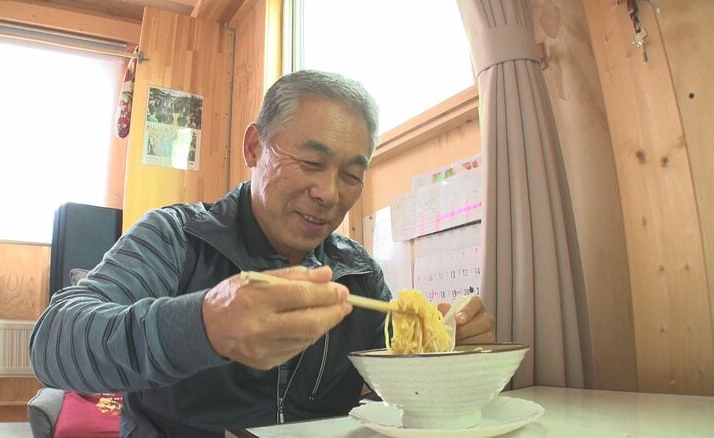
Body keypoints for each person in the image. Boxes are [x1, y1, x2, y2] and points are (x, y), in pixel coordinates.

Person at [30, 70, 495, 437]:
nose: (329, 193)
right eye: (311, 163)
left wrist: (448, 350)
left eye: (352, 176)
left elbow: (396, 383)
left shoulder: (356, 271)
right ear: (255, 147)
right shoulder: (177, 236)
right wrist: (204, 326)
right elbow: (54, 344)